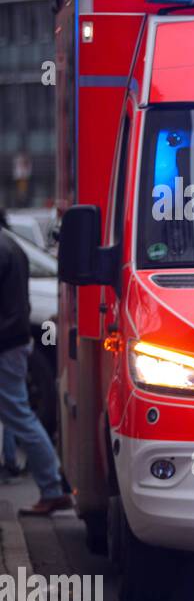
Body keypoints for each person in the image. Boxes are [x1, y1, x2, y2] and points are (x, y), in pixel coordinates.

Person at [0, 208, 72, 514]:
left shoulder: (3, 248)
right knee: (16, 413)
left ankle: (52, 487)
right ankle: (46, 482)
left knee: (20, 416)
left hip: (5, 344)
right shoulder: (10, 244)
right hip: (12, 342)